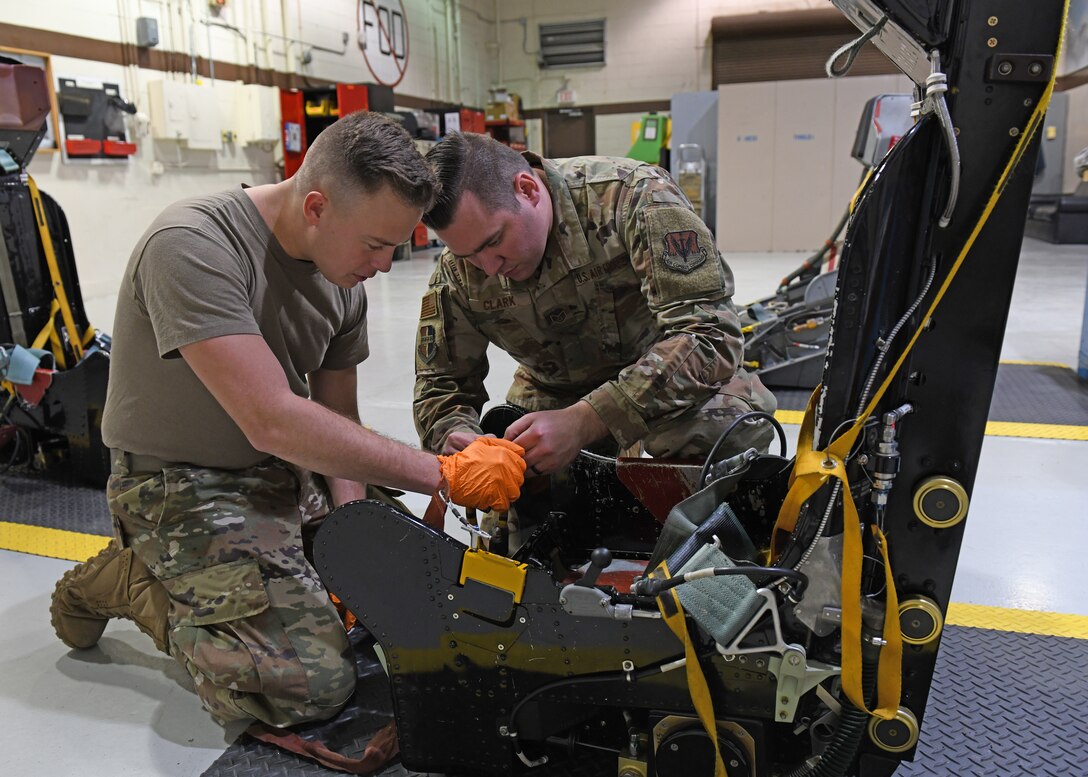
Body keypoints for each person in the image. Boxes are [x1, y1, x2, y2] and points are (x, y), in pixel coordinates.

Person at [49, 112, 525, 729]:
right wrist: (443, 473)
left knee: (412, 590)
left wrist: (351, 533)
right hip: (183, 485)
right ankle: (139, 579)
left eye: (397, 247)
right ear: (317, 207)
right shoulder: (193, 245)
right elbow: (270, 418)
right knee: (308, 684)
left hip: (287, 469)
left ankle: (261, 573)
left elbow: (337, 421)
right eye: (376, 245)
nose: (384, 267)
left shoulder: (342, 276)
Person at [413, 132, 776, 475]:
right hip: (553, 389)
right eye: (468, 255)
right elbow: (440, 383)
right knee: (518, 502)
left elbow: (710, 336)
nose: (489, 268)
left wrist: (589, 418)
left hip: (660, 374)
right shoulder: (456, 272)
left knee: (716, 431)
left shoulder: (635, 197)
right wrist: (455, 436)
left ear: (527, 189)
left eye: (494, 242)